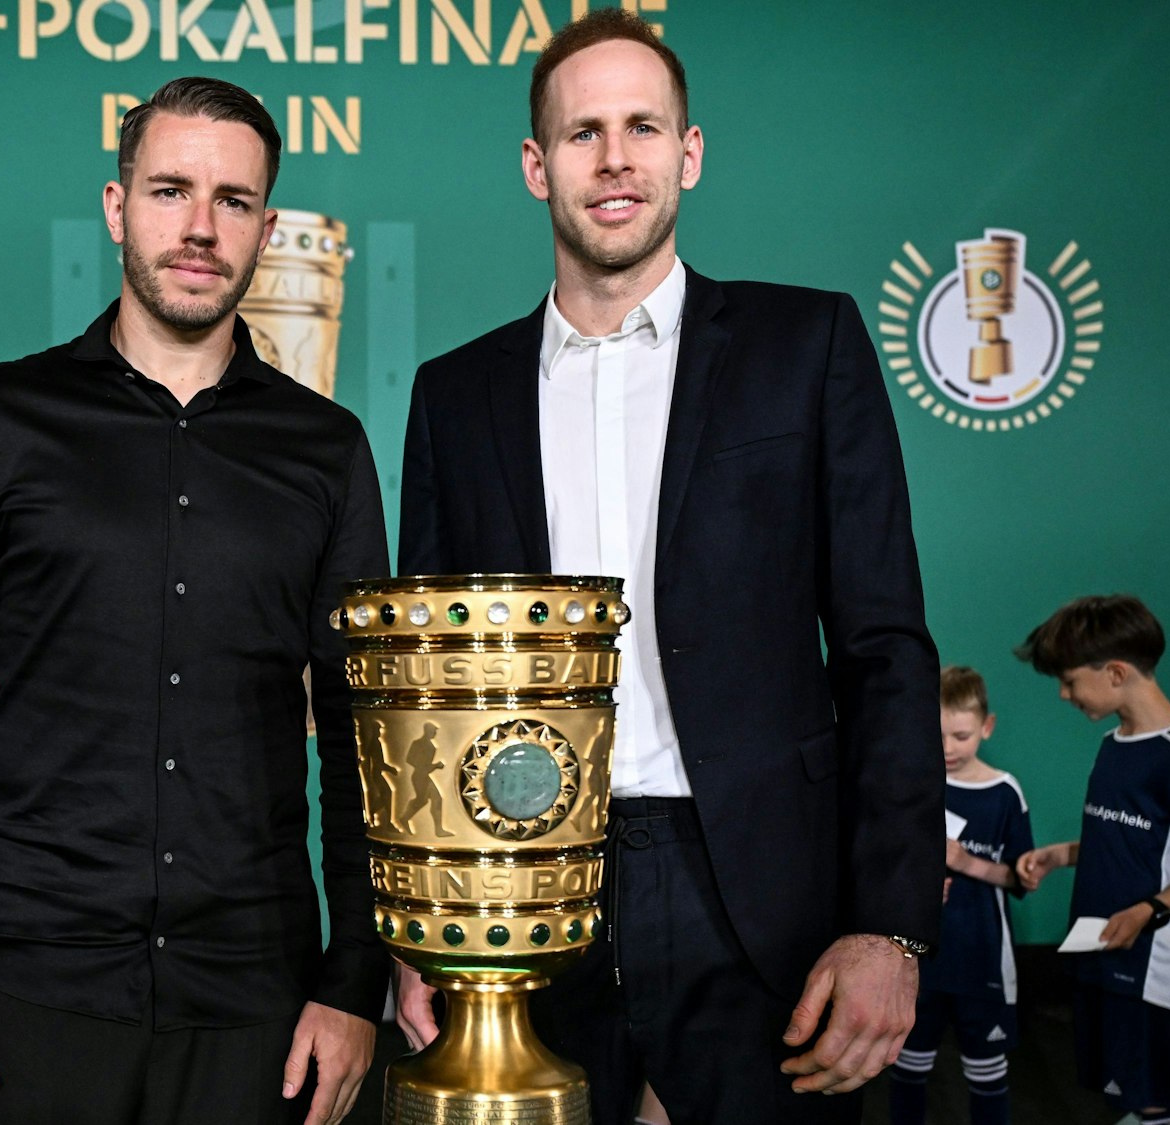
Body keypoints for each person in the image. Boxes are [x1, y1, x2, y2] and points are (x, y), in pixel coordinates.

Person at [392, 9, 943, 1121]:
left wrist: (891, 924)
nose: (613, 159)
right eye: (583, 131)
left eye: (641, 127)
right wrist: (421, 931)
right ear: (534, 165)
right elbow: (426, 693)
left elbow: (883, 647)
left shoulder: (808, 345)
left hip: (760, 887)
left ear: (686, 153)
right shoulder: (455, 395)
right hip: (528, 891)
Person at [0, 77, 388, 1125]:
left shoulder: (326, 449)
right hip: (23, 990)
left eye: (232, 200)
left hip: (258, 1004)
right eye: (168, 191)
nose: (199, 227)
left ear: (265, 228)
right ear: (114, 207)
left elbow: (362, 736)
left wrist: (352, 978)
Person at [1014, 595, 1170, 1125]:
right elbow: (1135, 841)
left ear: (1115, 672)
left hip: (1153, 965)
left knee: (1158, 1099)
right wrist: (1062, 855)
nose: (1064, 695)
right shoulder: (1114, 743)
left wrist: (1146, 912)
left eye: (1068, 681)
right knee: (1122, 1093)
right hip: (1103, 949)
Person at [888, 667, 1032, 1125]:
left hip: (982, 959)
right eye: (938, 733)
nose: (948, 747)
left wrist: (965, 862)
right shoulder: (915, 784)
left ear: (986, 727)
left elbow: (1020, 877)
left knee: (988, 1076)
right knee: (907, 1069)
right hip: (917, 957)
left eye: (961, 734)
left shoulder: (1005, 793)